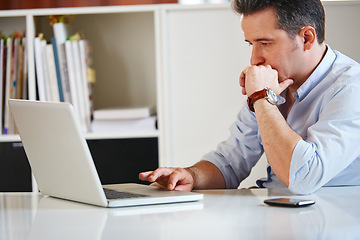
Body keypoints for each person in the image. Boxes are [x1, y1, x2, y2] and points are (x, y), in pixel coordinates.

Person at [139, 0, 360, 195]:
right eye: (251, 44)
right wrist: (192, 176)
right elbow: (230, 162)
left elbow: (304, 177)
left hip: (325, 222)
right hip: (276, 214)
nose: (254, 59)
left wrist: (262, 98)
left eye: (265, 43)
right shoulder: (273, 81)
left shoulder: (351, 88)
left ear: (306, 38)